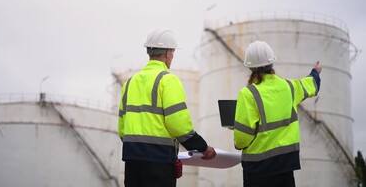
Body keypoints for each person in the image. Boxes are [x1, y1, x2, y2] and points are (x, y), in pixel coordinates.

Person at [118, 28, 217, 187]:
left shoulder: (130, 83)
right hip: (159, 164)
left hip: (132, 163)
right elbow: (178, 125)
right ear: (168, 53)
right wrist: (203, 147)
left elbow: (122, 130)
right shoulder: (168, 80)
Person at [233, 40, 322, 187]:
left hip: (257, 169)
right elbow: (311, 85)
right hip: (286, 165)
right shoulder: (289, 87)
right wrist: (315, 72)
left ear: (250, 67)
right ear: (271, 63)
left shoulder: (248, 93)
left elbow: (242, 138)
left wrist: (238, 142)